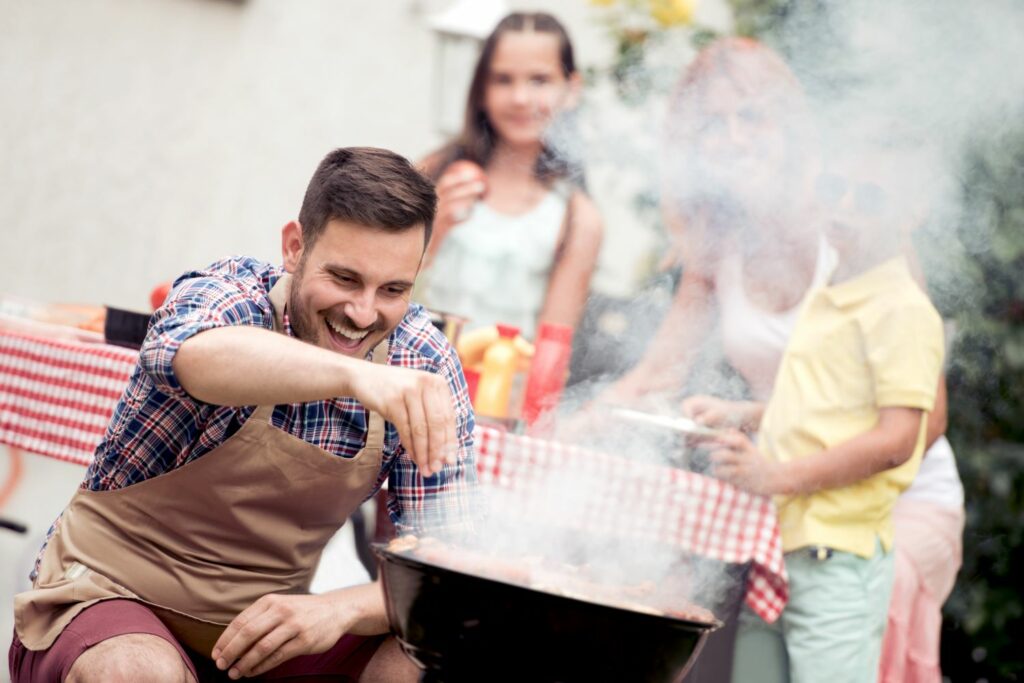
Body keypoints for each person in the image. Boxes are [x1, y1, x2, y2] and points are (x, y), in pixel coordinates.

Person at [9, 147, 476, 682]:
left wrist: (342, 607)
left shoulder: (424, 360)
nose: (363, 313)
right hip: (105, 598)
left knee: (422, 654)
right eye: (345, 279)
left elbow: (452, 569)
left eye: (393, 289)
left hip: (253, 639)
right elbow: (189, 355)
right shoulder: (229, 293)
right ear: (294, 247)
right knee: (140, 671)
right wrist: (359, 376)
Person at [601, 38, 963, 682]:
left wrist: (782, 474)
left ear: (790, 128)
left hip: (887, 505)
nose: (733, 139)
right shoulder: (718, 240)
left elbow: (923, 425)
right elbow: (657, 373)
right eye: (713, 123)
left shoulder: (857, 218)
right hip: (787, 495)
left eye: (752, 117)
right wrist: (571, 422)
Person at [416, 11, 603, 342]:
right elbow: (381, 286)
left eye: (539, 80)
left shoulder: (578, 219)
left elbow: (551, 350)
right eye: (503, 79)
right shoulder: (434, 173)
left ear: (572, 89)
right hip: (409, 375)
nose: (520, 98)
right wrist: (432, 228)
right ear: (482, 88)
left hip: (501, 390)